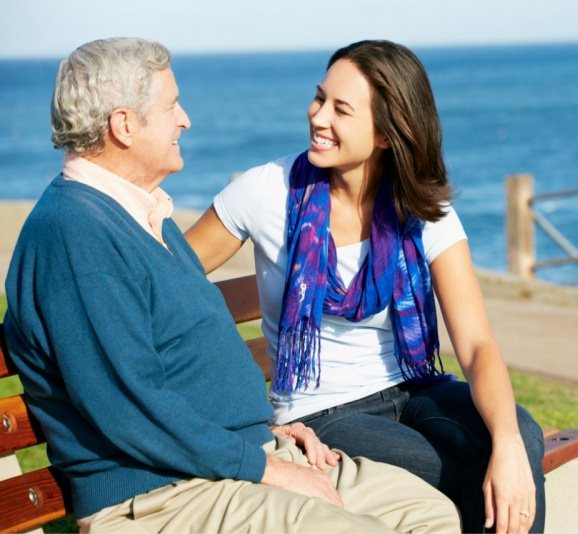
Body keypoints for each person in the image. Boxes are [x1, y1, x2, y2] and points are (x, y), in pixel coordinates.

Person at [2, 37, 461, 533]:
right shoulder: (76, 234)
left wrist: (264, 434)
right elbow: (131, 411)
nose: (185, 120)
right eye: (171, 106)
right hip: (160, 494)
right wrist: (266, 466)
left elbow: (181, 370)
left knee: (427, 513)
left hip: (229, 461)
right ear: (124, 125)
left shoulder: (144, 215)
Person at [186, 39, 546, 534]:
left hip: (413, 389)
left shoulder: (422, 210)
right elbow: (167, 280)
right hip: (324, 413)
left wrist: (508, 447)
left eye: (341, 109)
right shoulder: (266, 191)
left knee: (517, 434)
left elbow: (478, 345)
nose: (318, 117)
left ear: (385, 133)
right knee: (452, 464)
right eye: (319, 98)